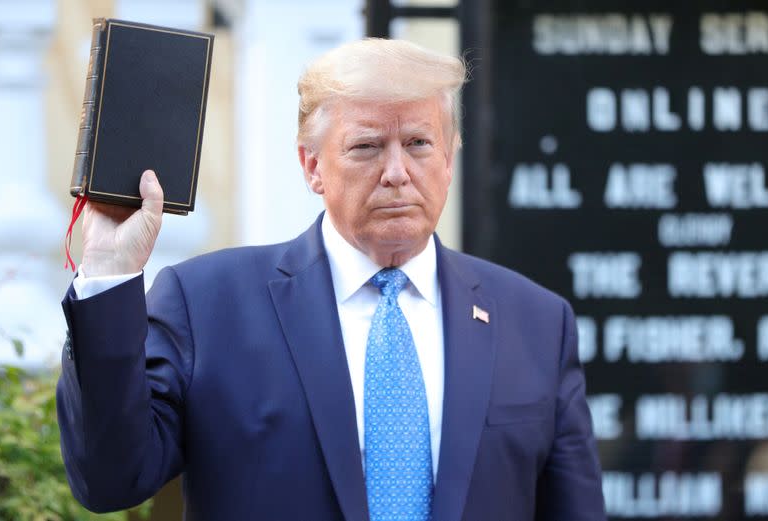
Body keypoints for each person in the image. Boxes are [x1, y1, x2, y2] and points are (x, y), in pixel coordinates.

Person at [57, 38, 606, 521]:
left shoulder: (535, 322)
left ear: (449, 158)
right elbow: (109, 480)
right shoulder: (207, 303)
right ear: (312, 166)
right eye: (366, 146)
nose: (397, 172)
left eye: (418, 143)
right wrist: (108, 273)